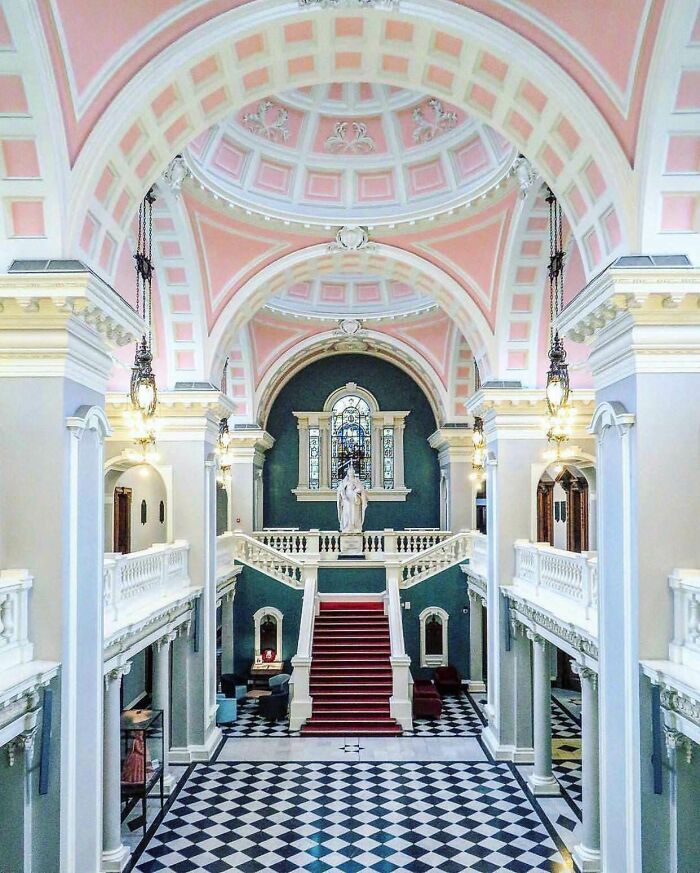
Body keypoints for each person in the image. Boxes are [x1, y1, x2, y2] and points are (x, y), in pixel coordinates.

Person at [336, 464, 368, 533]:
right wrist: (344, 496)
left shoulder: (357, 481)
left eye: (352, 472)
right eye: (349, 472)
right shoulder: (344, 481)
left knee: (355, 513)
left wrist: (355, 491)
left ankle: (355, 527)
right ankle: (347, 526)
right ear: (348, 473)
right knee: (347, 512)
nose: (351, 474)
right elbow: (340, 489)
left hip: (355, 499)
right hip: (346, 499)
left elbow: (361, 489)